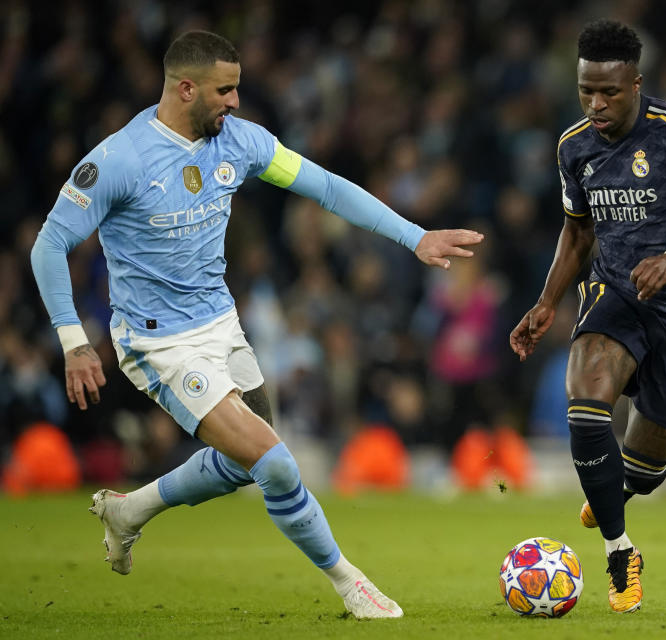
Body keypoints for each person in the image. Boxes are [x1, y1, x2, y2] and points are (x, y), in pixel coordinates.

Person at [30, 31, 483, 619]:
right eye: (225, 90)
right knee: (275, 463)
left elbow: (325, 186)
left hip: (222, 325)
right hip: (158, 342)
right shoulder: (120, 159)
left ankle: (130, 510)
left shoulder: (241, 142)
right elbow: (49, 245)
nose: (236, 102)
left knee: (245, 467)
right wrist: (73, 343)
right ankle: (351, 584)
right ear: (184, 88)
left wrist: (414, 236)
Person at [509, 19, 666, 613]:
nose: (596, 104)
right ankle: (621, 554)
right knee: (587, 397)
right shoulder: (574, 147)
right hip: (616, 295)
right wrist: (547, 300)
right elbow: (577, 232)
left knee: (645, 471)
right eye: (586, 91)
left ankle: (617, 489)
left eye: (610, 92)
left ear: (636, 84)